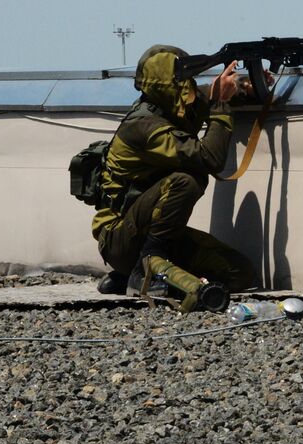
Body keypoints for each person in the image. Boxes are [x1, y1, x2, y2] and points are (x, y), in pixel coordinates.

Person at [92, 45, 259, 312]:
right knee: (186, 180)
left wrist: (245, 84)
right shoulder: (144, 127)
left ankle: (131, 275)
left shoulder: (168, 106)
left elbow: (206, 94)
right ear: (167, 87)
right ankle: (146, 266)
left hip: (154, 233)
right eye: (182, 82)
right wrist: (221, 105)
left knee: (239, 272)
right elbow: (210, 158)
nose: (189, 88)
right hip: (120, 239)